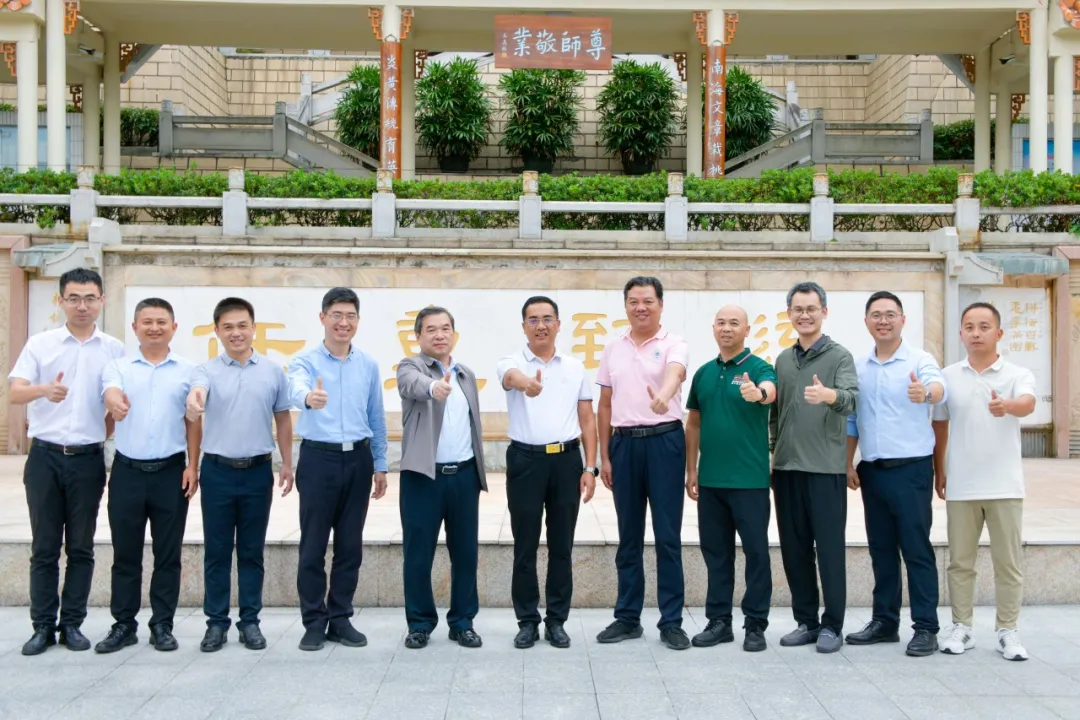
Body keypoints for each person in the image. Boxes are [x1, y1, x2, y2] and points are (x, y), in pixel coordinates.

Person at [8, 268, 124, 656]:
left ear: (101, 301)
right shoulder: (41, 344)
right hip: (45, 456)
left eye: (89, 298)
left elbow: (116, 402)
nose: (82, 306)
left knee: (81, 546)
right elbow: (15, 393)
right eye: (73, 298)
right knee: (44, 547)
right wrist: (44, 390)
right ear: (60, 301)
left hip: (87, 460)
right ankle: (42, 626)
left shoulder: (114, 350)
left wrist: (103, 429)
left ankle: (71, 624)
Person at [185, 297, 294, 652]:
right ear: (217, 331)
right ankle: (216, 623)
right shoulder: (205, 371)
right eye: (228, 327)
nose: (236, 333)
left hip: (257, 472)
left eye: (242, 325)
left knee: (251, 551)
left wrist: (287, 463)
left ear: (254, 328)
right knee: (216, 552)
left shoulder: (273, 371)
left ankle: (250, 622)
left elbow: (282, 419)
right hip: (217, 472)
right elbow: (197, 397)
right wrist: (195, 404)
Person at [94, 298, 201, 654]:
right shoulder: (119, 367)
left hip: (171, 473)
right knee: (125, 554)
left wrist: (193, 465)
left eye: (161, 322)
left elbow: (193, 421)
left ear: (174, 327)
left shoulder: (189, 371)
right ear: (135, 327)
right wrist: (114, 402)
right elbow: (110, 392)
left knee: (168, 554)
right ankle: (123, 624)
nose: (154, 328)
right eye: (147, 322)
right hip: (127, 472)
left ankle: (162, 625)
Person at [932, 302, 1037, 661]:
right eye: (969, 327)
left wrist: (1007, 406)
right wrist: (940, 469)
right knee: (960, 562)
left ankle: (1008, 630)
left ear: (999, 333)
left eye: (984, 326)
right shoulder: (948, 375)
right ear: (960, 333)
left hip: (1005, 485)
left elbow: (1028, 404)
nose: (976, 333)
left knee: (1008, 564)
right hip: (962, 485)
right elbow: (940, 425)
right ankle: (961, 626)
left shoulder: (1017, 374)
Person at [845, 291, 945, 657]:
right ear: (866, 321)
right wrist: (847, 462)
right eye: (876, 315)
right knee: (881, 550)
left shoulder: (919, 360)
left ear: (903, 320)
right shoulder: (859, 366)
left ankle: (926, 628)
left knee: (916, 550)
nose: (883, 321)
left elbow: (939, 388)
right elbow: (852, 419)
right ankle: (885, 622)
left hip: (911, 469)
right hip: (873, 471)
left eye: (890, 314)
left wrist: (925, 393)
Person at [288, 288, 388, 652]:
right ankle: (314, 622)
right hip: (319, 459)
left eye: (350, 316)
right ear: (323, 318)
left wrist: (380, 464)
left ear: (358, 321)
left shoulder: (368, 364)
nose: (343, 322)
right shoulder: (305, 361)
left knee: (350, 545)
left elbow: (376, 416)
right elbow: (295, 387)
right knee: (313, 545)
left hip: (358, 460)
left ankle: (341, 617)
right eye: (336, 315)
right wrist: (308, 398)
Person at [595, 276, 690, 651]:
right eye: (634, 301)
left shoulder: (674, 343)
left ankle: (672, 621)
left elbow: (676, 373)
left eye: (648, 301)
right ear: (625, 306)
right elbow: (605, 404)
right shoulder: (612, 348)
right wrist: (605, 456)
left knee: (667, 537)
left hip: (665, 442)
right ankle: (627, 617)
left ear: (660, 305)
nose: (641, 307)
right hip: (624, 446)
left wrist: (664, 396)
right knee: (628, 536)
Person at [497, 295, 598, 650]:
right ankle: (527, 621)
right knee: (524, 545)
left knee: (562, 545)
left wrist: (590, 467)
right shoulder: (511, 361)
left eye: (547, 319)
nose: (540, 325)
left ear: (558, 324)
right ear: (524, 326)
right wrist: (527, 383)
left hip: (566, 462)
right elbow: (510, 378)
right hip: (525, 461)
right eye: (533, 319)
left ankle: (557, 621)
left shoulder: (574, 367)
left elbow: (587, 419)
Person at [770, 281, 858, 654]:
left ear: (824, 312)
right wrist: (773, 453)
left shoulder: (840, 357)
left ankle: (832, 626)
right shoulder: (783, 360)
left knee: (830, 550)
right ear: (789, 314)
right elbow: (776, 415)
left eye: (811, 309)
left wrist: (829, 395)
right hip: (786, 469)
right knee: (795, 550)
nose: (804, 315)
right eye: (798, 309)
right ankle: (806, 622)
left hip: (825, 470)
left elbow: (852, 399)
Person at [685, 305, 776, 653]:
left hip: (750, 482)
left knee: (756, 554)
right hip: (711, 482)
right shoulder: (704, 373)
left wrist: (760, 393)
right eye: (721, 323)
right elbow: (694, 424)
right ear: (713, 328)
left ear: (747, 330)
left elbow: (770, 389)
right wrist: (691, 469)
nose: (726, 328)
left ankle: (755, 624)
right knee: (717, 555)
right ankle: (719, 622)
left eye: (734, 323)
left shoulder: (759, 367)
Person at [396, 306, 486, 649]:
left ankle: (462, 622)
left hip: (463, 476)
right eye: (431, 329)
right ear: (418, 335)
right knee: (418, 555)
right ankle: (419, 623)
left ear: (454, 334)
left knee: (465, 554)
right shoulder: (410, 367)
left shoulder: (466, 374)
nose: (439, 335)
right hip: (424, 477)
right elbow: (413, 386)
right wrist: (434, 387)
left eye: (445, 328)